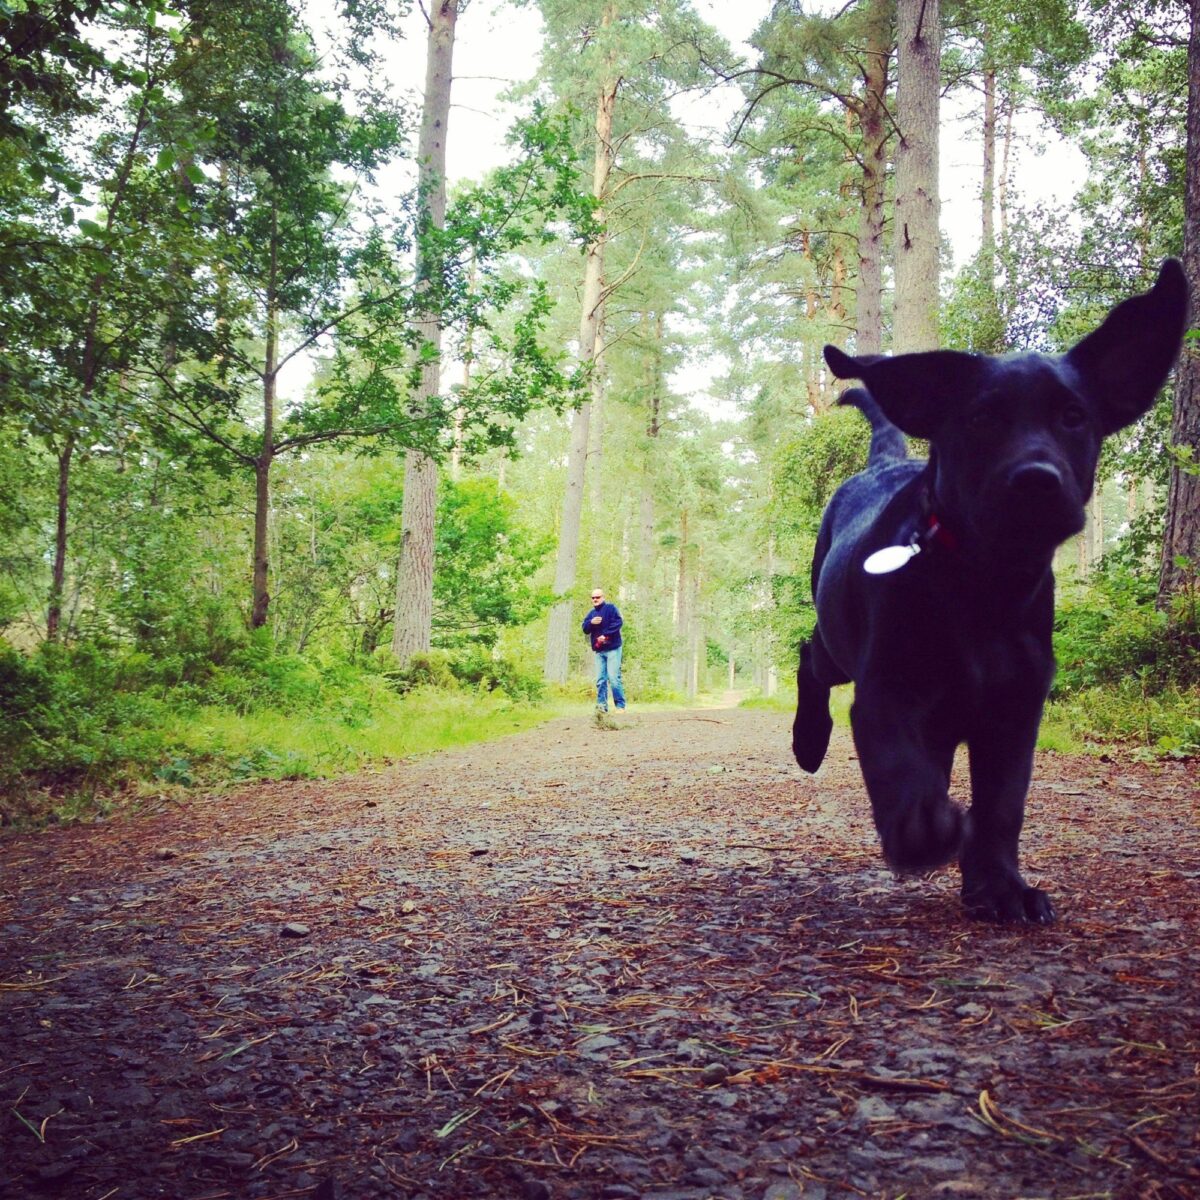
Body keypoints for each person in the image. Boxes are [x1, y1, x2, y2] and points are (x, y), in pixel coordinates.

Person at [582, 587, 626, 712]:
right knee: (601, 680)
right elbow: (585, 629)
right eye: (593, 598)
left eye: (597, 597)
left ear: (603, 597)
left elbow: (618, 622)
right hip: (599, 651)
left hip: (613, 648)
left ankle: (620, 706)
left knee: (613, 677)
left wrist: (605, 635)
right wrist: (591, 622)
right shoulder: (591, 614)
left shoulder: (611, 608)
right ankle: (602, 707)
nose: (595, 599)